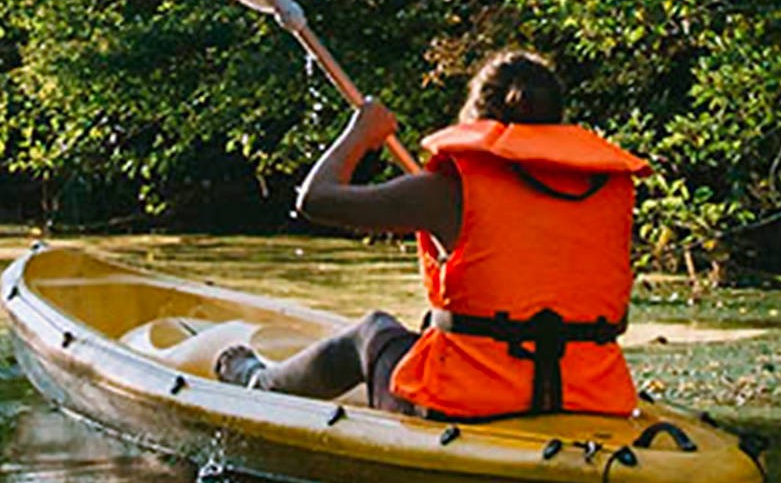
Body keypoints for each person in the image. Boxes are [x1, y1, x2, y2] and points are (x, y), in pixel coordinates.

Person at [235, 49, 651, 420]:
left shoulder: (448, 189)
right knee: (433, 334)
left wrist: (360, 133)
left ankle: (261, 384)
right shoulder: (606, 188)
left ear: (476, 115)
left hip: (471, 402)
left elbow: (316, 199)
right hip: (588, 397)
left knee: (371, 332)